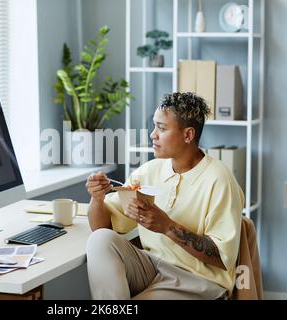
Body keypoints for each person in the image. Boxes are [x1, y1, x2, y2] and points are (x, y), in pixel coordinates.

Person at [85, 92, 244, 300]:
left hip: (198, 282)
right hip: (152, 266)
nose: (153, 135)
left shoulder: (220, 180)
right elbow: (102, 227)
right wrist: (97, 198)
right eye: (154, 126)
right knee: (100, 239)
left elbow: (223, 258)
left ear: (188, 135)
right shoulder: (148, 172)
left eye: (161, 128)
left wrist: (167, 226)